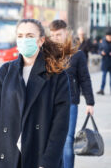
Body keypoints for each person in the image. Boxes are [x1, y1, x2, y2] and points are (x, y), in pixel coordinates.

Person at [0, 19, 74, 168]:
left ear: (41, 40)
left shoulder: (57, 76)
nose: (24, 40)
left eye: (30, 36)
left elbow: (60, 125)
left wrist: (48, 162)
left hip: (39, 157)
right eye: (20, 36)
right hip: (9, 156)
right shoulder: (5, 73)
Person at [49, 20, 95, 168]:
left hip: (70, 102)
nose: (55, 38)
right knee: (51, 139)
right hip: (49, 102)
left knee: (68, 139)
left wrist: (90, 103)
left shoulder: (77, 55)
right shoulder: (46, 54)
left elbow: (84, 79)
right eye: (53, 35)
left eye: (58, 34)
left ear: (66, 33)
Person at [96, 28, 111, 95]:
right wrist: (101, 53)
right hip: (105, 62)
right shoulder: (103, 42)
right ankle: (102, 89)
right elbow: (98, 50)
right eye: (108, 36)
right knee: (104, 77)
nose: (109, 37)